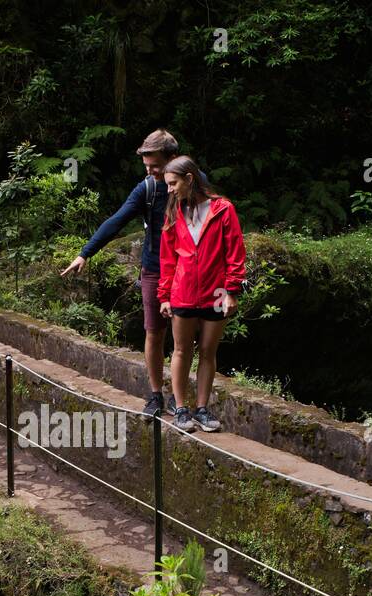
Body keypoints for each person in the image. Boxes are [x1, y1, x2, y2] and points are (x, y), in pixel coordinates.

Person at [62, 129, 182, 417]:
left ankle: (181, 398)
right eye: (147, 166)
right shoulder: (147, 189)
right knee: (154, 332)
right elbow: (115, 221)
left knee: (183, 337)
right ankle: (156, 395)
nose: (152, 171)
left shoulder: (191, 183)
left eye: (156, 166)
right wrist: (85, 253)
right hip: (154, 269)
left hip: (187, 272)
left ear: (173, 159)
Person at [158, 155, 245, 433]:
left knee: (208, 351)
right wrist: (164, 295)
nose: (169, 189)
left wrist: (232, 290)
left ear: (189, 179)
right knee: (181, 350)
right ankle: (181, 408)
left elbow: (235, 251)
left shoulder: (223, 209)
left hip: (216, 292)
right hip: (182, 291)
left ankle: (202, 409)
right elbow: (167, 258)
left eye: (173, 183)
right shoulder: (173, 212)